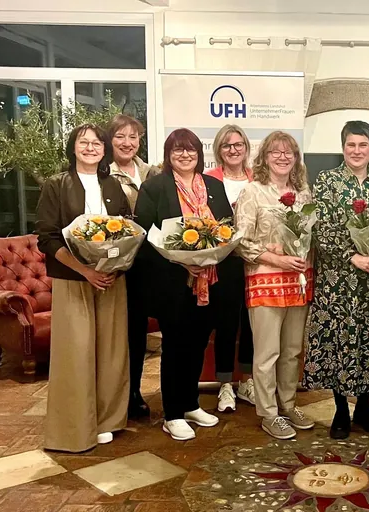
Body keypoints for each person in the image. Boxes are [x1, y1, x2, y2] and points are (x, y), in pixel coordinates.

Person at [37, 124, 131, 452]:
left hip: (110, 279)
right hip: (72, 278)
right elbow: (47, 238)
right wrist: (84, 270)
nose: (90, 147)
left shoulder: (113, 185)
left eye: (96, 143)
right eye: (84, 142)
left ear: (105, 150)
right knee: (75, 354)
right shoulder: (56, 185)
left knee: (111, 353)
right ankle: (74, 428)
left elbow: (127, 229)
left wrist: (111, 266)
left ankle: (108, 420)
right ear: (73, 147)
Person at [135, 128, 232, 441]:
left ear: (199, 154)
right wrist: (179, 259)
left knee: (198, 343)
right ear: (168, 155)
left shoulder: (214, 186)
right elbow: (145, 232)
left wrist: (214, 252)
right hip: (172, 282)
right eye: (178, 150)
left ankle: (190, 403)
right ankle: (172, 413)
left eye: (190, 149)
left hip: (210, 281)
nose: (185, 155)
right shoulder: (155, 187)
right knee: (175, 346)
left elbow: (227, 228)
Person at [304, 120, 369, 440]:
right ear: (343, 147)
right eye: (351, 145)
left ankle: (366, 407)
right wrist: (350, 255)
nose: (357, 151)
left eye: (363, 145)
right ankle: (341, 409)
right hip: (338, 278)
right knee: (339, 342)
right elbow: (322, 227)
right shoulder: (327, 180)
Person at [234, 131, 315, 440]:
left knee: (293, 350)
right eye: (275, 152)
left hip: (298, 280)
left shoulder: (303, 192)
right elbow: (241, 241)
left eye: (288, 153)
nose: (282, 157)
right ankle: (268, 412)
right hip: (265, 279)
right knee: (267, 352)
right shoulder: (252, 192)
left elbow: (309, 238)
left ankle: (289, 404)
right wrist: (277, 260)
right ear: (264, 157)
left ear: (295, 158)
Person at [107, 114, 159, 420]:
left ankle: (135, 391)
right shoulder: (104, 174)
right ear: (110, 141)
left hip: (149, 262)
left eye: (134, 137)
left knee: (137, 332)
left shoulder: (150, 172)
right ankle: (114, 395)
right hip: (117, 262)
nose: (128, 143)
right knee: (119, 333)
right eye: (120, 137)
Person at [205, 125, 255, 412]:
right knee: (226, 324)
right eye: (227, 145)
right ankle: (225, 384)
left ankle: (247, 381)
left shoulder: (257, 179)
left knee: (251, 324)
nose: (233, 150)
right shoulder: (208, 180)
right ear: (219, 151)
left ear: (246, 148)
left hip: (255, 260)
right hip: (224, 263)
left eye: (238, 145)